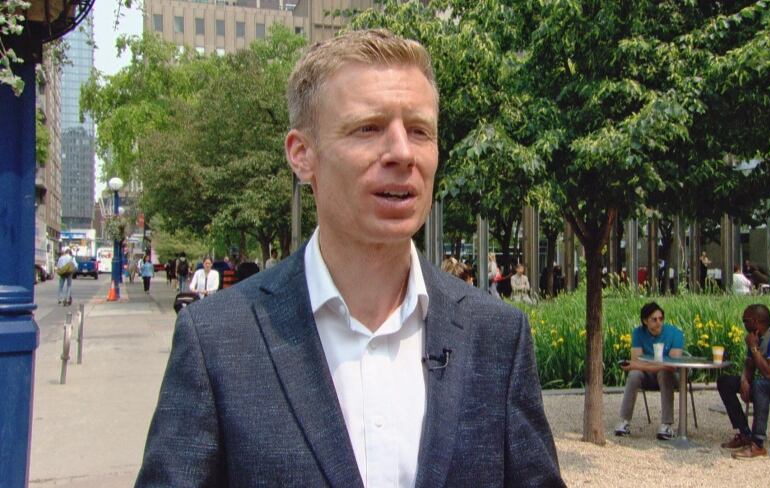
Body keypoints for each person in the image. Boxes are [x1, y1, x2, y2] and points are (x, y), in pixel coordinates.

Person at [135, 29, 563, 487]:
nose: (402, 153)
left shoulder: (497, 337)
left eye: (419, 131)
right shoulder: (218, 341)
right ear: (302, 155)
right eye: (368, 128)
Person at [717, 304, 770, 459]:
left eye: (745, 320)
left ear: (755, 320)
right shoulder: (755, 336)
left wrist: (753, 347)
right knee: (725, 381)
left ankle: (758, 444)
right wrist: (745, 380)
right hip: (765, 384)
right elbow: (750, 366)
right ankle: (745, 433)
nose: (743, 324)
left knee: (760, 385)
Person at [615, 302, 684, 440]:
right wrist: (638, 366)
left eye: (661, 319)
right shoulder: (638, 333)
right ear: (645, 321)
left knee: (664, 373)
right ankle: (624, 421)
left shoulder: (675, 333)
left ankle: (666, 425)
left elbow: (671, 365)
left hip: (672, 376)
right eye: (654, 319)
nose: (659, 323)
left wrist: (639, 365)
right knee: (634, 374)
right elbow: (636, 360)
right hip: (648, 376)